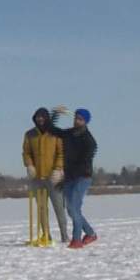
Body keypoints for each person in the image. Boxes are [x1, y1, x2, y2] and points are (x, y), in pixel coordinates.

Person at [50, 106, 99, 249]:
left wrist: (65, 177)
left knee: (73, 208)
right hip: (69, 177)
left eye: (80, 119)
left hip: (82, 177)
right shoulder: (69, 134)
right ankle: (90, 233)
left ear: (85, 121)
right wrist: (55, 114)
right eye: (76, 118)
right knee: (72, 210)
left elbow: (83, 162)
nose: (77, 121)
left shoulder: (89, 141)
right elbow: (52, 130)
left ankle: (76, 240)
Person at [22, 108, 67, 243]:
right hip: (37, 178)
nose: (40, 119)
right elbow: (26, 153)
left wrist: (58, 169)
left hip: (53, 178)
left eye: (42, 117)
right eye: (37, 117)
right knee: (42, 209)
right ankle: (46, 235)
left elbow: (62, 152)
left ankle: (64, 235)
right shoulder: (29, 134)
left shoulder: (56, 133)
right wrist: (29, 165)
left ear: (47, 118)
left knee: (59, 207)